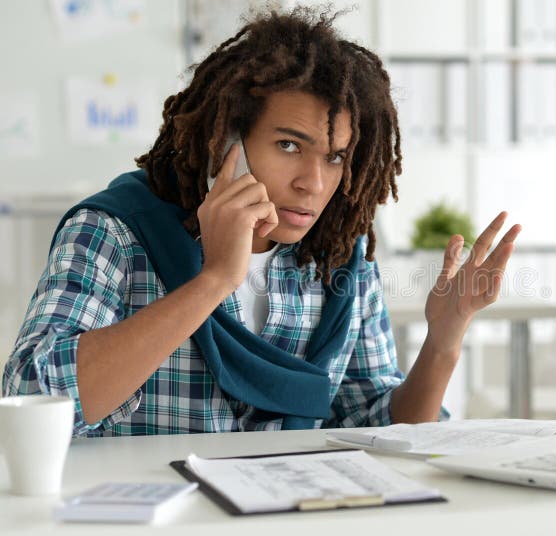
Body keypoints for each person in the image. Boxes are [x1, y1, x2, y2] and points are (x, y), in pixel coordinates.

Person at [2, 7, 520, 436]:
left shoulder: (338, 256)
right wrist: (212, 281)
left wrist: (445, 339)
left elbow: (377, 426)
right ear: (227, 140)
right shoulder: (113, 232)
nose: (314, 183)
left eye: (336, 157)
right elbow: (30, 398)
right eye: (289, 145)